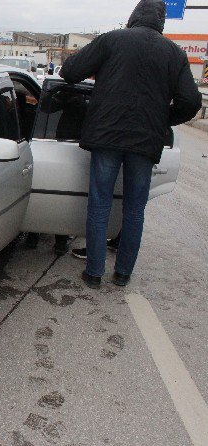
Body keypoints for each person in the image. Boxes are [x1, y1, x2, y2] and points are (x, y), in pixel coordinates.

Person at [60, 0, 202, 289]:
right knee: (135, 210)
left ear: (134, 16)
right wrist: (162, 120)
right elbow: (191, 102)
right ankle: (123, 274)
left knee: (99, 204)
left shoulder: (112, 39)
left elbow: (70, 71)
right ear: (162, 21)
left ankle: (94, 273)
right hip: (146, 142)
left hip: (107, 138)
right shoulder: (174, 53)